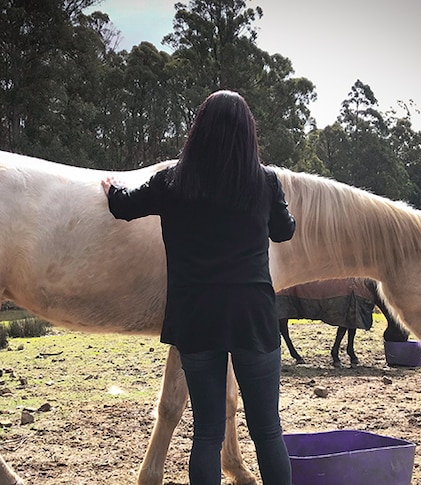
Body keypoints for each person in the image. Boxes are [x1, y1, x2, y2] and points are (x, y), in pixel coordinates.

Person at [101, 90, 295, 484]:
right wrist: (279, 201)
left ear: (198, 131)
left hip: (196, 320)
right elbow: (284, 230)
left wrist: (111, 188)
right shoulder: (265, 183)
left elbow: (123, 206)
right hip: (252, 318)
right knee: (267, 432)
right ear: (248, 135)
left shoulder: (172, 182)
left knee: (206, 434)